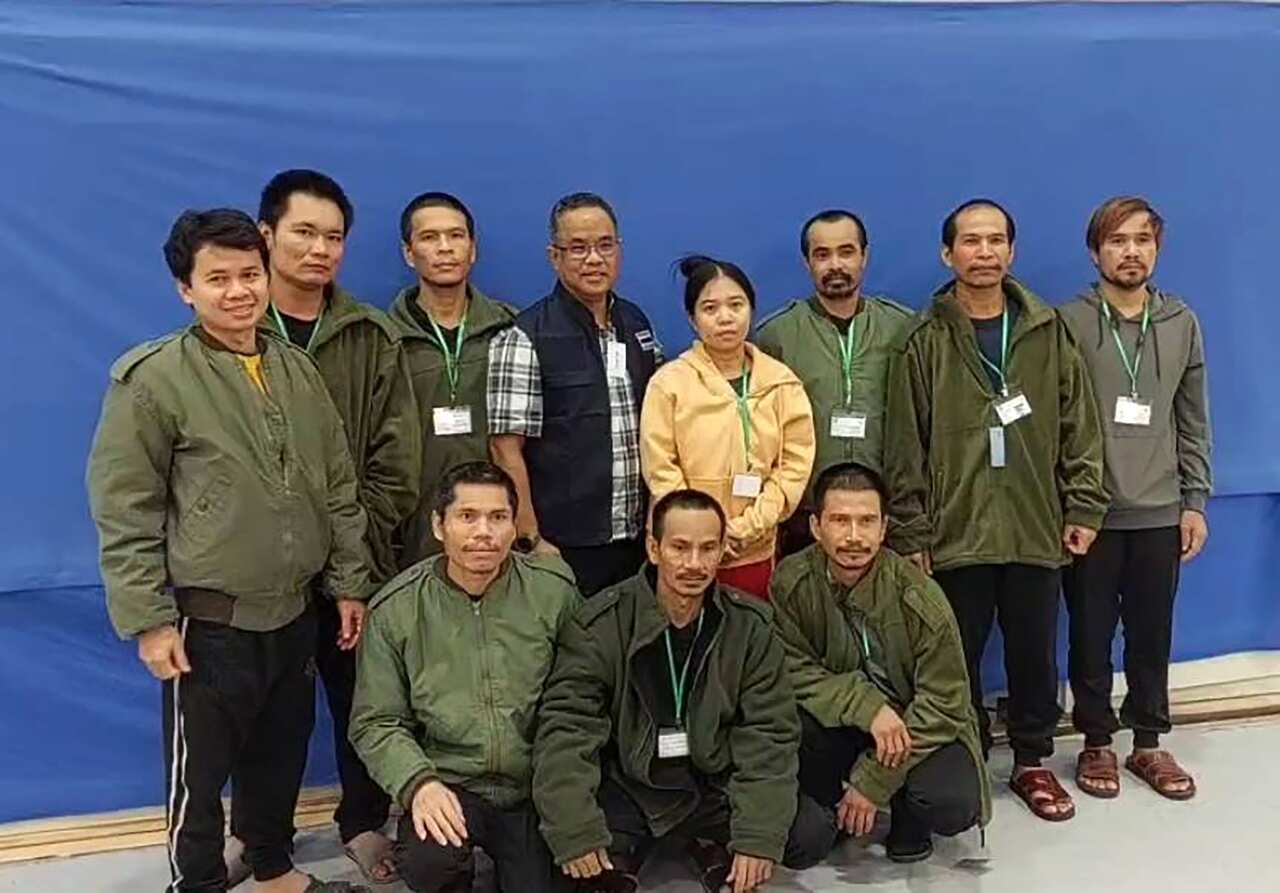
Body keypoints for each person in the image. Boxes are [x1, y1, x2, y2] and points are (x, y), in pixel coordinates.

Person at [86, 208, 371, 893]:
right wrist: (150, 619)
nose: (239, 291)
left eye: (250, 274)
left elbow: (336, 487)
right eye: (218, 278)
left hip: (295, 611)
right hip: (208, 621)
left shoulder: (297, 372)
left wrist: (349, 582)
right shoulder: (153, 380)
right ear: (186, 288)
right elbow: (126, 508)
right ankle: (200, 881)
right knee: (201, 771)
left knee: (280, 751)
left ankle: (271, 866)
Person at [884, 198, 1108, 823]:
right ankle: (965, 754)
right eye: (970, 241)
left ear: (1012, 250)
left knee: (1034, 652)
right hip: (954, 534)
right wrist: (910, 530)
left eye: (995, 241)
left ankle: (1033, 761)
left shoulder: (1046, 329)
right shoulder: (923, 340)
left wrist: (1084, 503)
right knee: (954, 653)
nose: (983, 253)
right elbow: (905, 442)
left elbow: (1079, 425)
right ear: (946, 253)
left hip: (1035, 525)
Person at [533, 489, 836, 893]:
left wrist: (757, 837)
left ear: (722, 551)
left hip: (712, 786)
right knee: (559, 853)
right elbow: (567, 731)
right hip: (630, 786)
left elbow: (769, 735)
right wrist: (576, 831)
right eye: (680, 547)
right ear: (653, 548)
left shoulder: (751, 627)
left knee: (808, 834)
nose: (694, 563)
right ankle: (642, 847)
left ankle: (707, 844)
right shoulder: (600, 625)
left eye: (707, 548)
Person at [251, 169, 421, 884]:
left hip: (356, 565)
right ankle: (262, 836)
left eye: (334, 237)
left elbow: (398, 454)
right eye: (304, 232)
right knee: (268, 712)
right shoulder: (232, 328)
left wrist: (357, 540)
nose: (320, 249)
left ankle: (361, 821)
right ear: (266, 235)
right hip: (261, 572)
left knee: (362, 700)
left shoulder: (369, 333)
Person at [349, 461, 580, 893]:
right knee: (429, 864)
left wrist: (565, 783)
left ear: (515, 526)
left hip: (536, 785)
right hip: (450, 782)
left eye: (498, 518)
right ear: (440, 525)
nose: (483, 533)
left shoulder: (554, 592)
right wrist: (419, 783)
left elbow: (584, 696)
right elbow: (376, 721)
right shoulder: (397, 608)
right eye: (467, 517)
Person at [1058, 196, 1212, 802]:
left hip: (1160, 510)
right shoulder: (1067, 322)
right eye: (1117, 241)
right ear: (1095, 250)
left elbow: (1193, 419)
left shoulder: (1180, 323)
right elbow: (1057, 422)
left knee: (1153, 631)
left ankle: (1148, 741)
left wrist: (1194, 500)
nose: (1131, 251)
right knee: (1089, 632)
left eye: (1142, 240)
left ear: (1157, 249)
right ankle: (1096, 741)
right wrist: (1071, 504)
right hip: (1089, 513)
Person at [771, 463, 989, 863]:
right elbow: (792, 669)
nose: (854, 536)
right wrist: (867, 707)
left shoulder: (921, 598)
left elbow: (945, 702)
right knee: (791, 727)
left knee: (951, 801)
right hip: (842, 721)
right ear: (817, 526)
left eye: (866, 521)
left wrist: (875, 781)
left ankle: (909, 812)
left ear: (884, 528)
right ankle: (827, 807)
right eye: (840, 520)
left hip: (912, 726)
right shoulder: (791, 582)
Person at [488, 192, 662, 596]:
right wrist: (529, 537)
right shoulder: (525, 336)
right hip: (564, 546)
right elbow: (504, 448)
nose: (594, 259)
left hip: (637, 537)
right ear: (555, 256)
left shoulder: (636, 322)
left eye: (605, 245)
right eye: (578, 248)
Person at [640, 255, 815, 599]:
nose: (725, 318)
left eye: (736, 305)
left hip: (755, 549)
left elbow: (794, 467)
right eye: (710, 308)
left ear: (751, 309)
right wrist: (702, 532)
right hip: (686, 552)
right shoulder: (669, 384)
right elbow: (661, 468)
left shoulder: (781, 382)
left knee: (751, 640)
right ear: (692, 319)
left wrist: (748, 527)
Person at [754, 210, 912, 556]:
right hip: (803, 517)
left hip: (884, 517)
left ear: (864, 256)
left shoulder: (902, 328)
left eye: (846, 252)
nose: (835, 265)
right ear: (807, 262)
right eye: (822, 255)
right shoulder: (776, 335)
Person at [389, 191, 516, 565]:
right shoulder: (384, 337)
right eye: (429, 238)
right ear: (409, 253)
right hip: (412, 530)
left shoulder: (510, 330)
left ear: (472, 249)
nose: (445, 248)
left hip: (494, 527)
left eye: (456, 236)